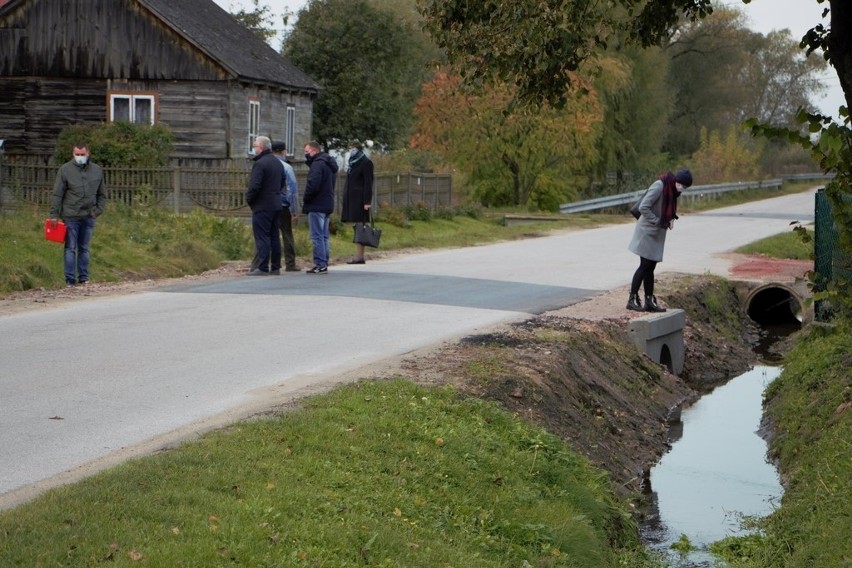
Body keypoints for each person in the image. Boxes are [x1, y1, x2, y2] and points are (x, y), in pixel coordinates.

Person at [626, 168, 693, 312]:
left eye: (685, 187)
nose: (683, 189)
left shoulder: (673, 191)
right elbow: (644, 207)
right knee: (644, 265)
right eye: (683, 185)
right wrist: (658, 221)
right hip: (647, 231)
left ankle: (649, 300)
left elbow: (666, 210)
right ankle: (632, 299)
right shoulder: (660, 185)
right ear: (677, 180)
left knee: (651, 266)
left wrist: (669, 220)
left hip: (657, 233)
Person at [49, 143, 107, 287]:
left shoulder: (97, 170)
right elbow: (57, 194)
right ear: (73, 154)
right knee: (70, 248)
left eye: (82, 154)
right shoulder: (65, 170)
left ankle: (83, 277)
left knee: (84, 248)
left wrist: (97, 211)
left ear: (88, 154)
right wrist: (54, 215)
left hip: (88, 216)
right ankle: (70, 279)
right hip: (70, 216)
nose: (80, 157)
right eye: (77, 154)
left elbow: (102, 195)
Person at [245, 136, 282, 275]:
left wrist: (250, 200)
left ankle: (263, 266)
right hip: (276, 203)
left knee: (262, 237)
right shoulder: (277, 163)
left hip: (262, 204)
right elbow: (282, 183)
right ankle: (276, 266)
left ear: (260, 148)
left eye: (255, 146)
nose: (253, 148)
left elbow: (254, 186)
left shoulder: (260, 164)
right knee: (274, 236)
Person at [301, 141, 338, 274]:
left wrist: (306, 199)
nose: (305, 155)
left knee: (317, 236)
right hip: (327, 203)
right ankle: (324, 262)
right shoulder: (329, 164)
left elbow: (313, 185)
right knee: (324, 236)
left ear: (314, 151)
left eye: (307, 152)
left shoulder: (317, 164)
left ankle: (320, 263)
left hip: (317, 204)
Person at [340, 143, 375, 264]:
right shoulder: (352, 162)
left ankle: (359, 256)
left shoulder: (366, 163)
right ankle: (359, 256)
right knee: (357, 227)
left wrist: (367, 201)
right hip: (352, 199)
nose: (351, 151)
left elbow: (368, 183)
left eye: (353, 148)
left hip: (360, 201)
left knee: (361, 227)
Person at [271, 141, 300, 272]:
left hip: (268, 204)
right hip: (282, 205)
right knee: (287, 234)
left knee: (270, 234)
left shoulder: (265, 165)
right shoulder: (287, 167)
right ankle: (290, 263)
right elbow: (292, 190)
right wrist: (294, 210)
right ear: (283, 151)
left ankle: (270, 263)